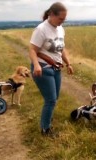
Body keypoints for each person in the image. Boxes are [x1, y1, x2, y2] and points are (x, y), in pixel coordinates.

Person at [29, 2, 73, 137]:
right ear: (51, 14)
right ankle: (45, 130)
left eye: (64, 19)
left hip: (56, 68)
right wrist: (36, 65)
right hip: (43, 68)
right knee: (51, 100)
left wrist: (68, 63)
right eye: (60, 19)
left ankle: (47, 119)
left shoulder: (60, 29)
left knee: (55, 98)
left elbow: (61, 48)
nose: (62, 22)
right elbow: (32, 49)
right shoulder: (41, 29)